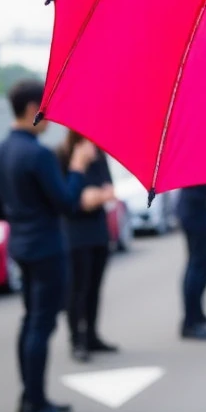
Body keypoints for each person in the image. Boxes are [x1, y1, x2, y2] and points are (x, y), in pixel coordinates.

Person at [0, 78, 104, 412]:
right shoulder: (37, 154)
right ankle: (36, 405)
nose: (48, 117)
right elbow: (67, 202)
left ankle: (30, 397)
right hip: (48, 248)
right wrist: (79, 168)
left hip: (21, 246)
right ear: (29, 109)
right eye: (45, 109)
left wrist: (24, 216)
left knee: (30, 321)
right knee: (41, 323)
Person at [56, 129, 119, 361]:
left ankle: (92, 335)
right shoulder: (62, 157)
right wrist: (80, 167)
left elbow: (109, 192)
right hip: (74, 236)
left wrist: (95, 197)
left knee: (94, 288)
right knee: (77, 291)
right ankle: (77, 340)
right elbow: (72, 202)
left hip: (99, 234)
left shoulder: (100, 158)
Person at [177, 183, 206, 340]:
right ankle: (190, 323)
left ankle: (197, 315)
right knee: (196, 267)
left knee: (203, 266)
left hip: (199, 210)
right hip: (195, 211)